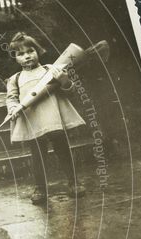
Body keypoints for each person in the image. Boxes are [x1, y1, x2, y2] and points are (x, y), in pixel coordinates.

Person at [6, 32, 86, 203]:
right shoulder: (15, 79)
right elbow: (11, 97)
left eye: (30, 51)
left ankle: (73, 182)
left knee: (63, 149)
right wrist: (13, 108)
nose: (27, 56)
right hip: (33, 120)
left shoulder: (51, 69)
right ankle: (40, 188)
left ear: (38, 51)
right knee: (37, 155)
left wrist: (64, 80)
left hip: (54, 118)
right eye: (21, 54)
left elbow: (70, 91)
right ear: (15, 58)